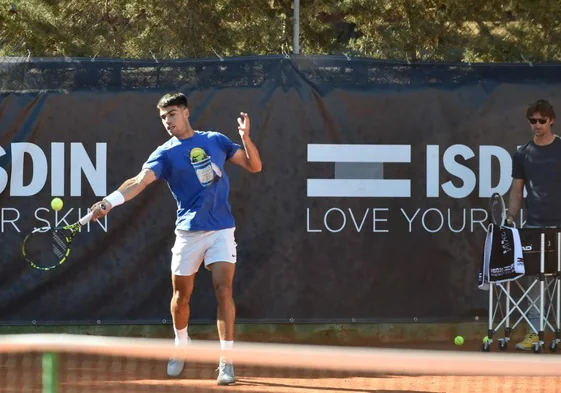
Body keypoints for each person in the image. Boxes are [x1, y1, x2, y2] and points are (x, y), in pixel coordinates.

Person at [89, 92, 262, 384]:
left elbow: (254, 165)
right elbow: (139, 182)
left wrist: (245, 137)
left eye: (171, 114)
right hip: (188, 232)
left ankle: (226, 361)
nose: (167, 121)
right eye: (163, 117)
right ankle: (182, 343)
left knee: (224, 289)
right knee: (181, 297)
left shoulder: (216, 140)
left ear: (185, 112)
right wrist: (109, 202)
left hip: (221, 229)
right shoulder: (164, 153)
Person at [506, 99, 561, 350]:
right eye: (532, 121)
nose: (537, 125)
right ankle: (534, 334)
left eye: (541, 120)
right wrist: (510, 219)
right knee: (536, 283)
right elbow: (517, 192)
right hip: (535, 226)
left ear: (551, 120)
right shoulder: (522, 154)